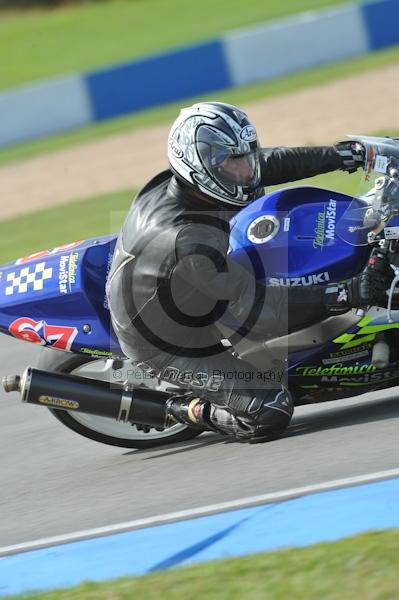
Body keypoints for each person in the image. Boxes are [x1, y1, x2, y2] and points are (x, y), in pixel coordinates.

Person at [106, 101, 392, 443]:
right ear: (200, 168)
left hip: (195, 281)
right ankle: (182, 409)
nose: (246, 169)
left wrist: (346, 155)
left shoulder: (206, 181)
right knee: (270, 411)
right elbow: (253, 310)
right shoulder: (188, 240)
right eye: (233, 161)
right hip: (169, 338)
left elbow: (267, 164)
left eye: (246, 156)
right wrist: (346, 293)